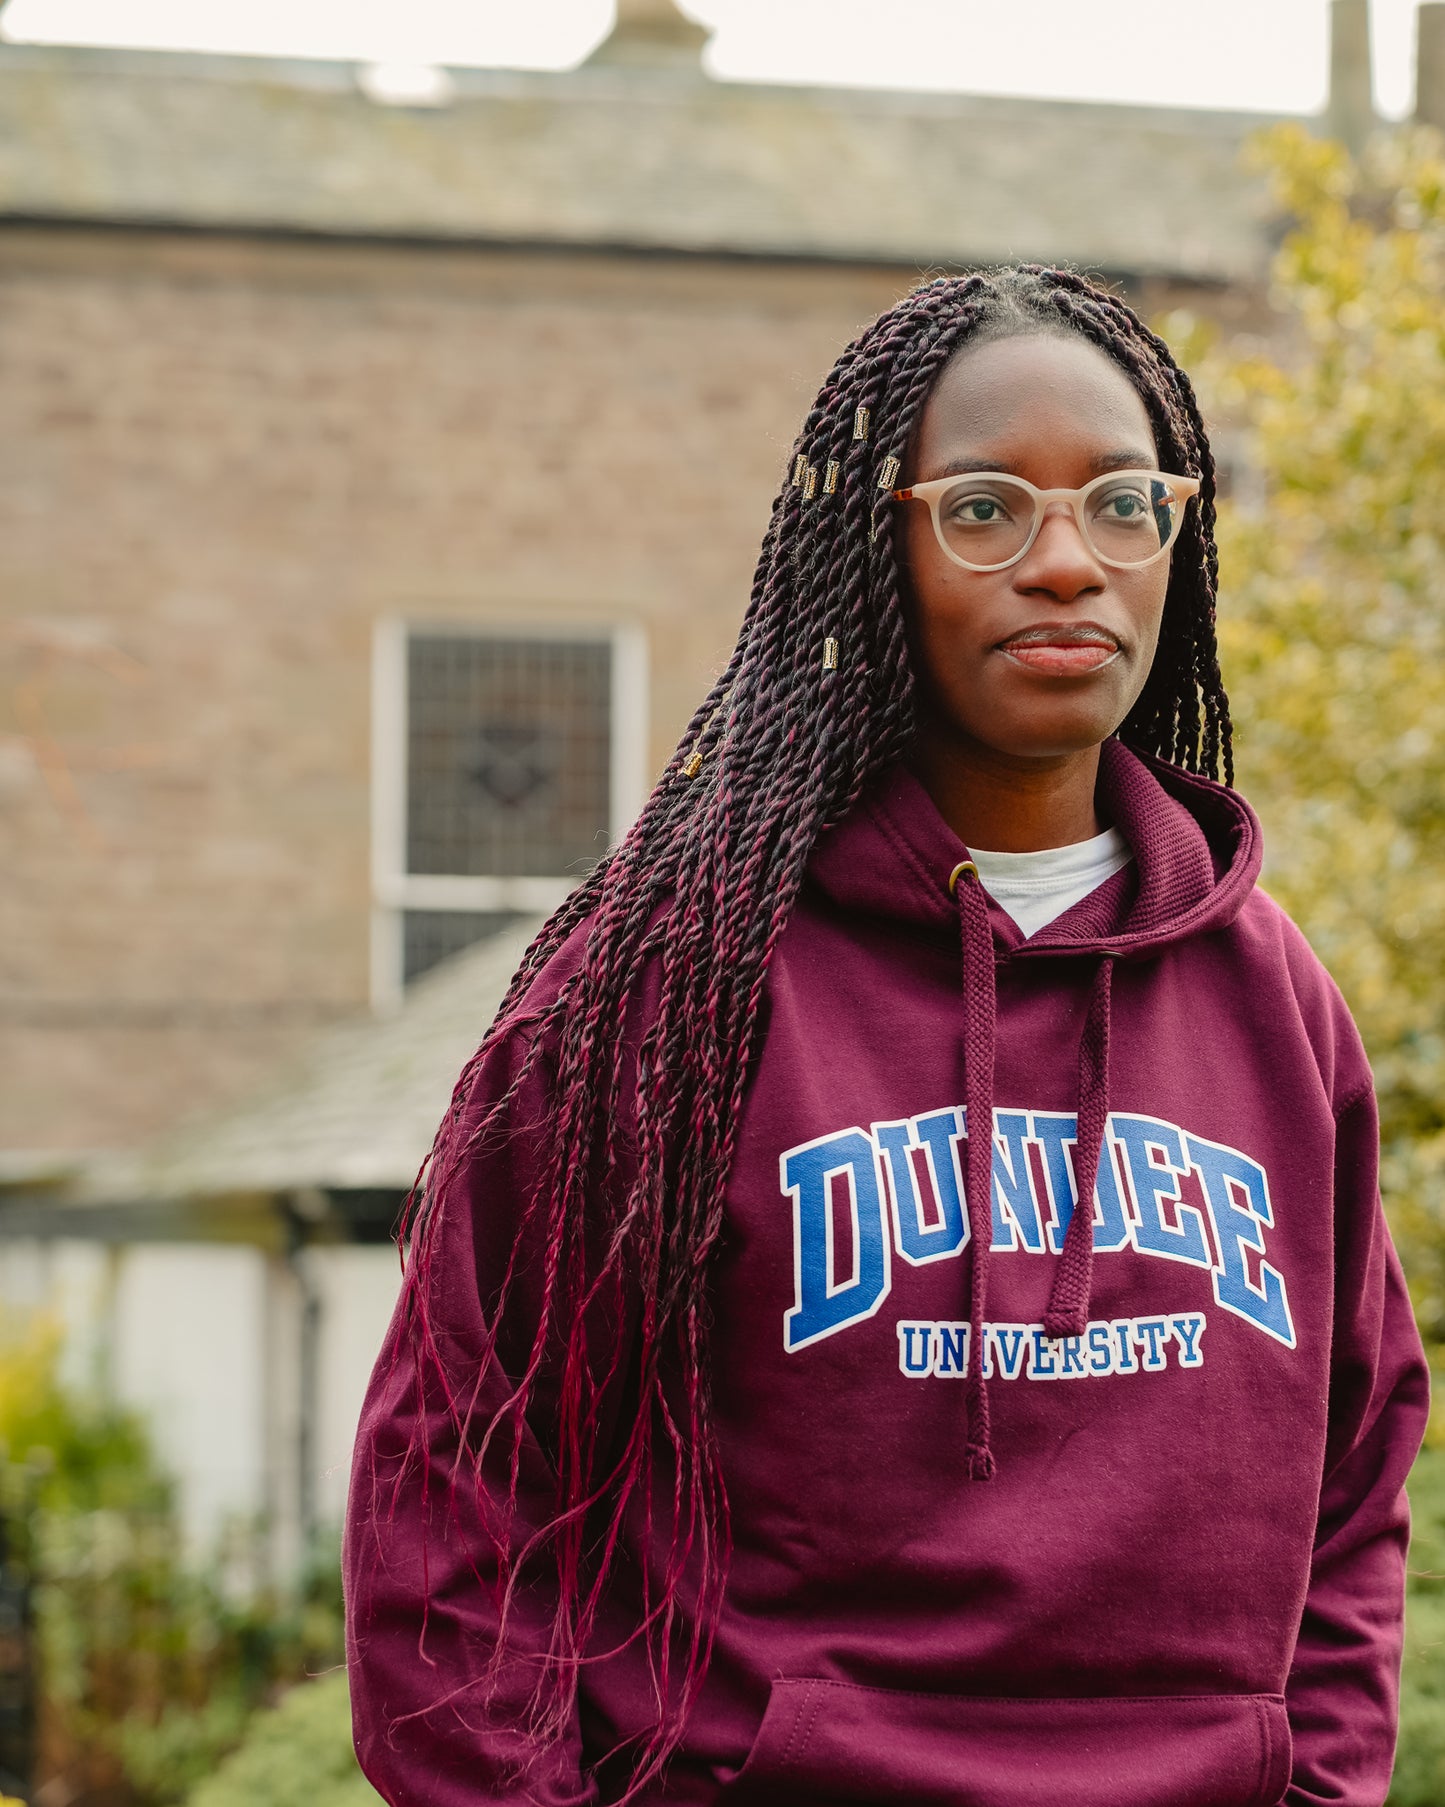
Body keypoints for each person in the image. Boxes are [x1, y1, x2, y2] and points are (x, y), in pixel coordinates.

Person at [344, 267, 1429, 1807]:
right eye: (984, 510)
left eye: (1124, 505)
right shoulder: (662, 992)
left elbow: (1357, 1469)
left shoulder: (1269, 996)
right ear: (874, 549)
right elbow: (458, 1494)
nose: (1067, 563)